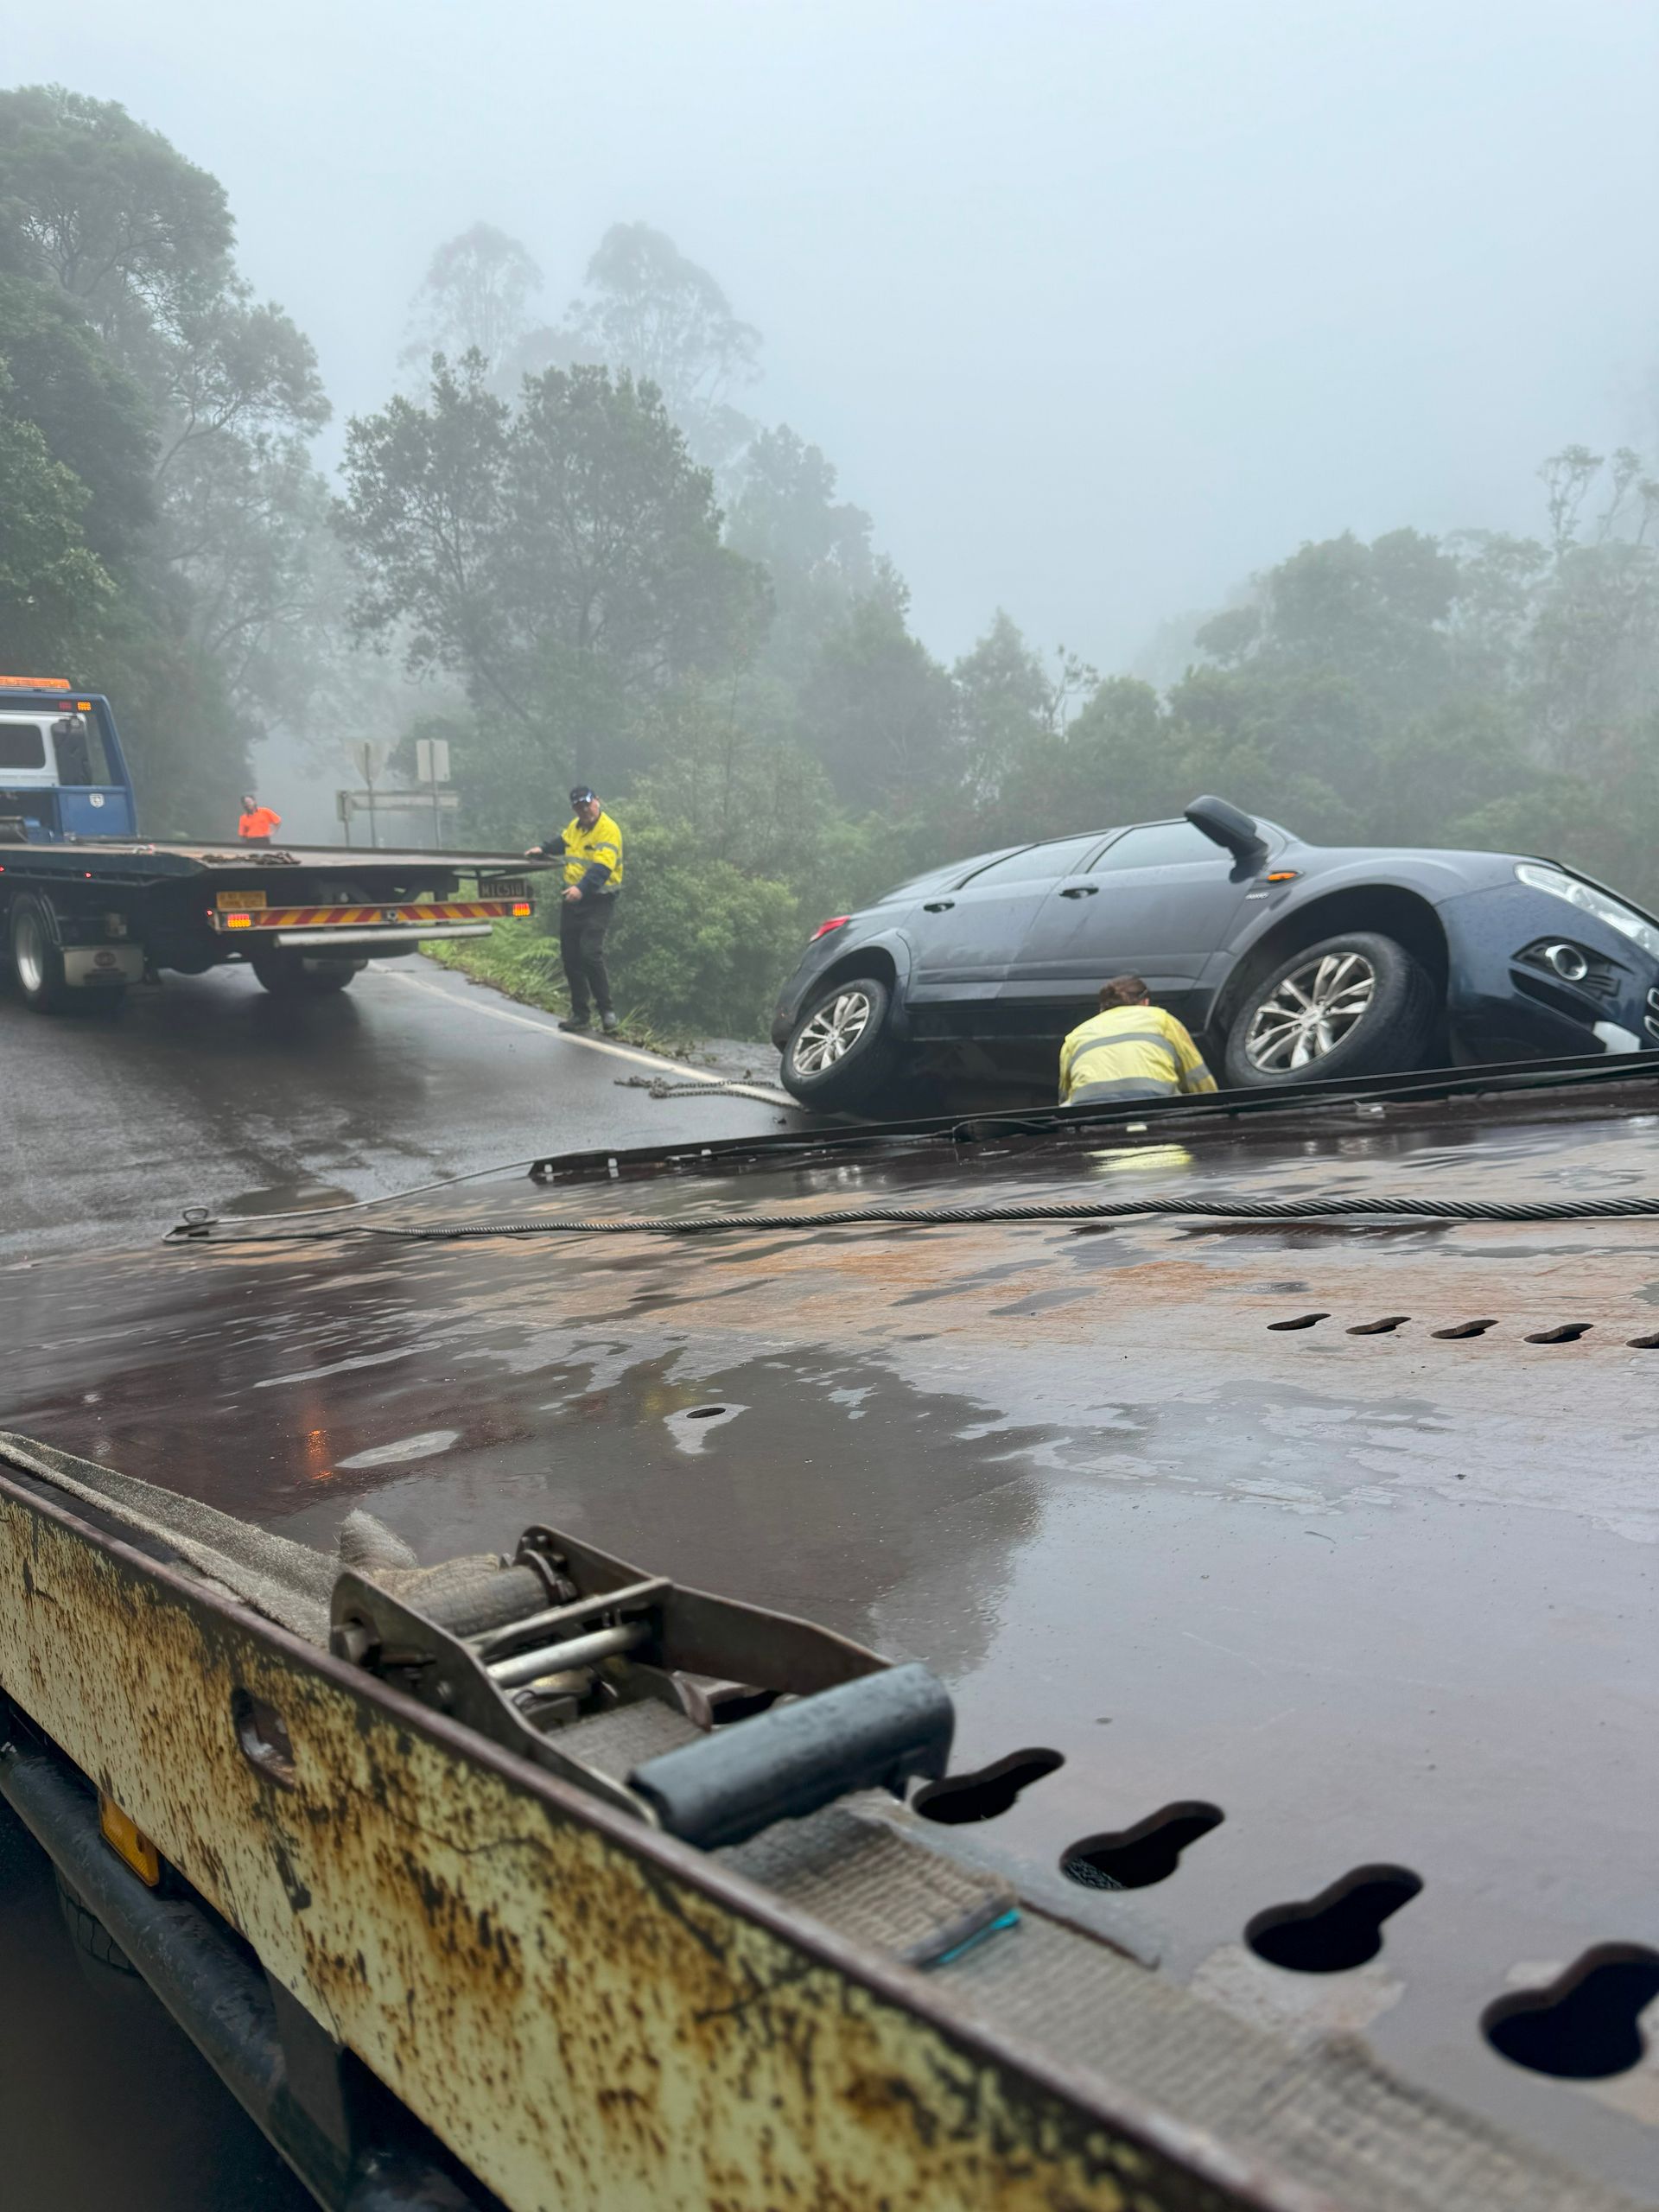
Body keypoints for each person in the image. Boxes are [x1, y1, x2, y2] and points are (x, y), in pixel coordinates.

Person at [528, 785, 625, 1033]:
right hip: (572, 900)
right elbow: (564, 841)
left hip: (599, 899)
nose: (584, 810)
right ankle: (581, 1014)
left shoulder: (608, 830)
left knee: (590, 953)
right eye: (579, 806)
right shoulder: (575, 826)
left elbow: (602, 868)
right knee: (570, 956)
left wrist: (581, 889)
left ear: (597, 801)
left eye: (587, 804)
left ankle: (607, 1012)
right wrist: (544, 849)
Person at [1058, 975, 1218, 1106]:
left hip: (1090, 1111)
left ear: (1102, 1008)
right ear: (1146, 1002)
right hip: (1154, 1105)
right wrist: (1215, 1109)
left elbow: (1064, 1096)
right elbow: (1196, 1076)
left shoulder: (1076, 1035)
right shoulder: (1162, 1020)